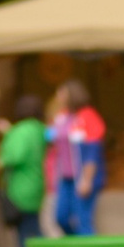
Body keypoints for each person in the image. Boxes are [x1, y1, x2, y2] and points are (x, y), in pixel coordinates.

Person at [0, 94, 46, 247]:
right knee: (34, 229)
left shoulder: (21, 131)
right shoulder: (39, 129)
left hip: (20, 189)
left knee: (25, 234)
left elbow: (14, 156)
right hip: (36, 186)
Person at [49, 80, 105, 238]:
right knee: (61, 217)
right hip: (65, 177)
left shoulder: (89, 117)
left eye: (62, 93)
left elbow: (92, 151)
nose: (58, 97)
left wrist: (87, 179)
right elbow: (50, 136)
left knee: (83, 220)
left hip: (83, 176)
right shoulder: (62, 117)